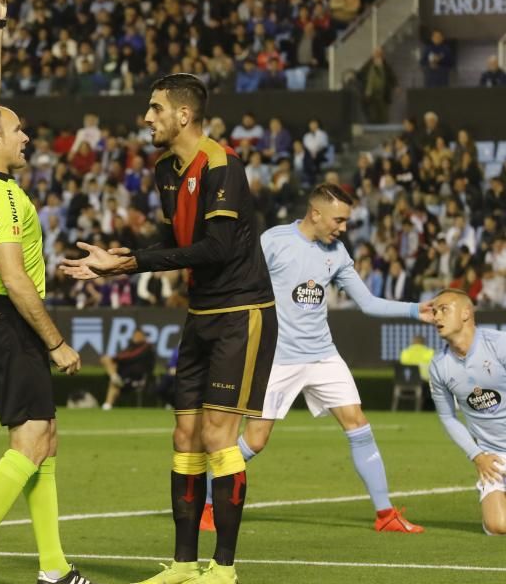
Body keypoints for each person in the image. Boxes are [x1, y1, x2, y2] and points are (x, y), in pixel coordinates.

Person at [61, 73, 277, 584]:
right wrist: (121, 256)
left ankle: (223, 570)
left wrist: (133, 264)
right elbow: (173, 238)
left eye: (155, 109)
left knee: (218, 438)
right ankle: (183, 563)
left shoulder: (223, 165)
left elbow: (217, 247)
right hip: (201, 313)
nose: (147, 118)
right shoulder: (164, 170)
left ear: (184, 115)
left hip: (241, 312)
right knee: (184, 438)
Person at [0, 0, 114, 584]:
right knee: (30, 440)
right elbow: (14, 280)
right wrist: (59, 343)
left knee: (46, 440)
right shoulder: (5, 197)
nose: (25, 136)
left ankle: (53, 568)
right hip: (8, 320)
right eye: (17, 131)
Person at [198, 184, 429, 535]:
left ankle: (386, 514)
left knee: (358, 423)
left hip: (322, 355)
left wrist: (416, 310)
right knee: (255, 441)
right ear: (316, 213)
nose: (344, 228)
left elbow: (367, 303)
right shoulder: (273, 241)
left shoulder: (336, 252)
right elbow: (238, 285)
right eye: (339, 220)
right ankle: (209, 504)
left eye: (347, 221)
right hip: (277, 358)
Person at [428, 288, 506, 535]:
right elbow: (447, 417)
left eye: (444, 309)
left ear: (465, 313)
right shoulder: (439, 366)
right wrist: (477, 455)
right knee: (497, 526)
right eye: (434, 312)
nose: (436, 317)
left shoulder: (499, 345)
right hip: (493, 458)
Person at [100, 329, 157, 410]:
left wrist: (116, 358)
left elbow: (129, 356)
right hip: (125, 375)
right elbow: (125, 355)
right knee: (106, 361)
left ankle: (108, 402)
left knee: (108, 361)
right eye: (135, 335)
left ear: (143, 336)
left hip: (137, 377)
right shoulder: (131, 347)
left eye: (138, 335)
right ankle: (114, 378)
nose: (136, 337)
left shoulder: (147, 346)